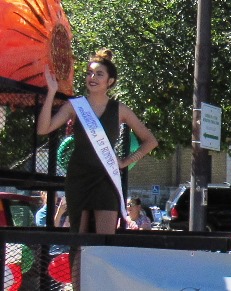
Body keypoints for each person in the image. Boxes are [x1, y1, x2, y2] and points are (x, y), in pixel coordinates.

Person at [37, 48, 158, 289]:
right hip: (79, 178)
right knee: (78, 240)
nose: (92, 78)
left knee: (105, 240)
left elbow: (150, 140)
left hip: (105, 179)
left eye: (99, 74)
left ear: (110, 81)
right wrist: (51, 93)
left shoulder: (119, 109)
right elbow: (43, 128)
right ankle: (79, 286)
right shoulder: (75, 106)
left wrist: (125, 161)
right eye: (90, 73)